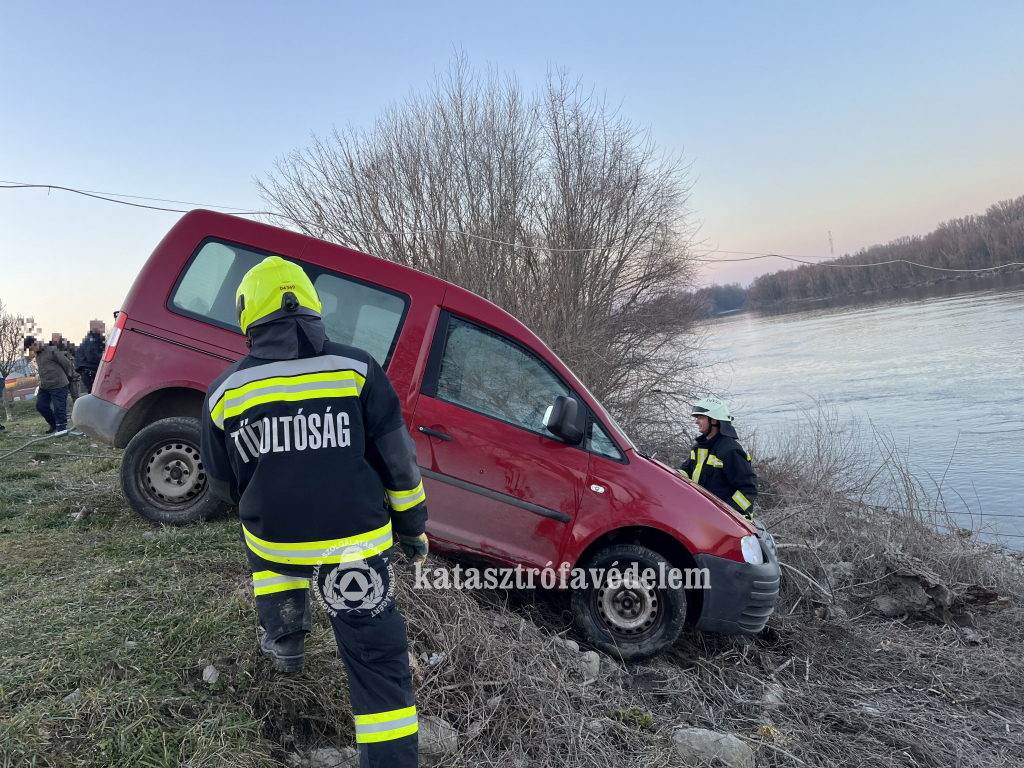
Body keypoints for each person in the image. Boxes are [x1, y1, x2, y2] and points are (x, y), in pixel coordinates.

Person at [201, 256, 428, 768]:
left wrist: (267, 493)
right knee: (378, 667)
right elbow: (399, 463)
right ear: (311, 307)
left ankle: (285, 634)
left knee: (268, 544)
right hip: (355, 546)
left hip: (275, 541)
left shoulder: (224, 392)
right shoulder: (358, 370)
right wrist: (412, 528)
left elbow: (221, 484)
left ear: (247, 315)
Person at [678, 396, 758, 519]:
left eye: (701, 417)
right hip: (704, 517)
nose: (696, 421)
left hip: (730, 523)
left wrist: (728, 513)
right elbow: (685, 472)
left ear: (714, 421)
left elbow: (748, 488)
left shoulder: (730, 450)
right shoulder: (700, 447)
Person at [26, 334, 75, 434]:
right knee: (40, 405)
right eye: (31, 349)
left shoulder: (51, 350)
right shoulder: (37, 355)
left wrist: (66, 375)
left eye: (33, 347)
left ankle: (62, 429)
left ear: (36, 343)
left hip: (58, 384)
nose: (33, 350)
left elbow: (66, 363)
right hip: (45, 385)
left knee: (59, 407)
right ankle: (54, 424)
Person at [75, 320, 106, 393]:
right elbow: (92, 357)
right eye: (101, 327)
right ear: (93, 328)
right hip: (90, 372)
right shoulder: (91, 341)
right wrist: (106, 359)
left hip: (90, 372)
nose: (103, 329)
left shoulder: (96, 340)